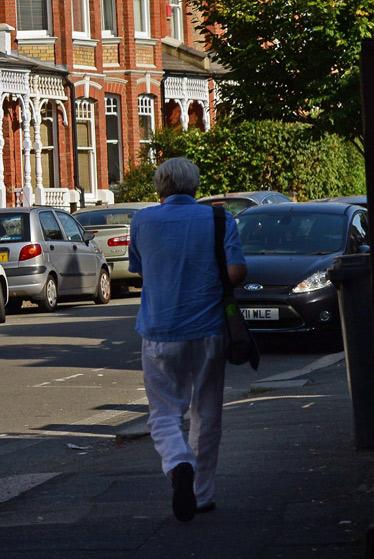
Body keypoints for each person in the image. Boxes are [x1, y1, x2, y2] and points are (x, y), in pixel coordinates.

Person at [127, 156, 245, 521]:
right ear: (195, 186)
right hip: (209, 329)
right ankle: (202, 493)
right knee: (206, 411)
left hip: (159, 331)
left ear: (160, 187)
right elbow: (237, 272)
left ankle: (178, 463)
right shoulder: (219, 219)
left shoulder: (141, 220)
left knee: (163, 411)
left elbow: (139, 269)